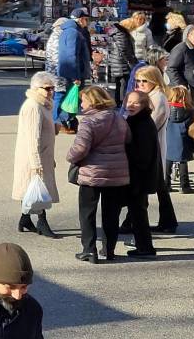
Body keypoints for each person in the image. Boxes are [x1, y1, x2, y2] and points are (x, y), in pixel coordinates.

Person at [66, 84, 130, 263]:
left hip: (92, 173)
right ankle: (109, 250)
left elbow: (80, 148)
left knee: (87, 213)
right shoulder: (119, 118)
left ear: (93, 101)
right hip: (116, 173)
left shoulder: (88, 121)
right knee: (111, 214)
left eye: (84, 101)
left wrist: (69, 157)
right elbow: (128, 139)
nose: (81, 105)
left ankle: (89, 250)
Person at [127, 65, 176, 235]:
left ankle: (133, 222)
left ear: (153, 81)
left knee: (148, 185)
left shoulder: (157, 98)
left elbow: (151, 125)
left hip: (153, 148)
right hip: (152, 147)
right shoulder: (151, 96)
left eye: (144, 81)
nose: (140, 84)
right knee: (157, 186)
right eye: (138, 80)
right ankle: (168, 220)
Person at [13, 72, 60, 239]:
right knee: (39, 190)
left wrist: (54, 129)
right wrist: (36, 164)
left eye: (52, 88)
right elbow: (33, 138)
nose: (51, 91)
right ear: (36, 88)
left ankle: (25, 219)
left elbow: (43, 132)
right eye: (47, 88)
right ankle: (42, 221)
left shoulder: (44, 105)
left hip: (43, 154)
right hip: (33, 156)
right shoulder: (33, 106)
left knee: (33, 190)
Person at [122, 89, 161, 257]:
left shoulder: (142, 123)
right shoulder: (136, 119)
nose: (131, 105)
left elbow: (142, 155)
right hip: (139, 174)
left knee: (139, 213)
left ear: (144, 105)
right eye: (129, 102)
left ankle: (145, 247)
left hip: (139, 175)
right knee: (137, 212)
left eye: (136, 103)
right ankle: (143, 245)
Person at [53, 10, 92, 133]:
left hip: (71, 71)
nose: (87, 22)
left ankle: (65, 121)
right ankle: (64, 122)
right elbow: (70, 55)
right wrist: (75, 76)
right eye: (86, 19)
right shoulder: (73, 32)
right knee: (71, 97)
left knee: (69, 97)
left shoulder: (72, 31)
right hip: (72, 72)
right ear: (80, 19)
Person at [165, 84, 194, 194]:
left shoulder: (166, 108)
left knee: (167, 159)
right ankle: (185, 186)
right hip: (183, 138)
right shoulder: (190, 110)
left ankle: (166, 184)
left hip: (168, 137)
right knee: (183, 161)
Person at [167, 23, 194, 105]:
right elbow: (171, 69)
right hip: (187, 93)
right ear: (190, 35)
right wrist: (182, 87)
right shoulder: (181, 49)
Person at [106, 18, 137, 105]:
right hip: (121, 62)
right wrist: (131, 61)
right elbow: (124, 50)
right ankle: (121, 102)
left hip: (116, 61)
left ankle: (119, 101)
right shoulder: (122, 34)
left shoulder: (115, 33)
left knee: (119, 83)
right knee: (123, 83)